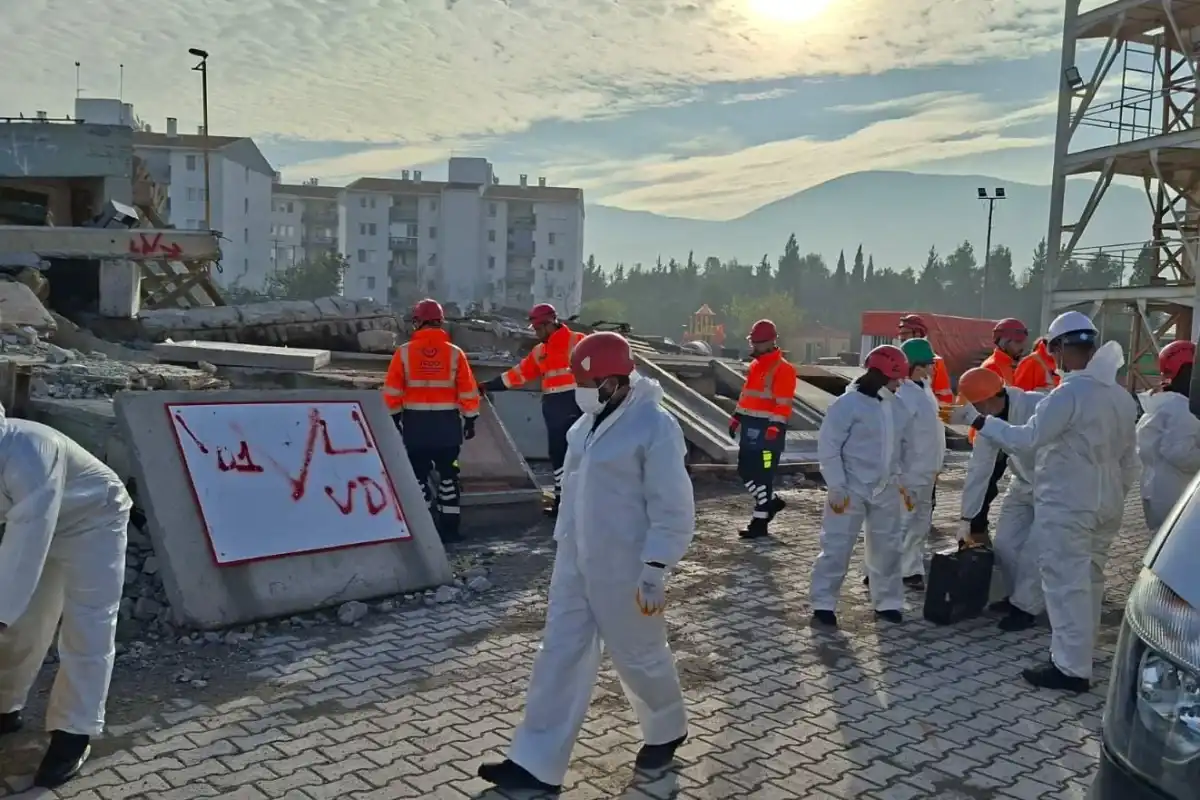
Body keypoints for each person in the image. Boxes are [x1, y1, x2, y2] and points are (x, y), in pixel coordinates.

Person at [478, 332, 695, 792]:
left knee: (640, 655)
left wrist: (657, 566)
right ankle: (534, 761)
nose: (579, 390)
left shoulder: (655, 426)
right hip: (576, 562)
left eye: (586, 382)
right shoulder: (585, 426)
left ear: (613, 380)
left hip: (628, 568)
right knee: (558, 655)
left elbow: (673, 505)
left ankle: (666, 728)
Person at [952, 311, 1139, 692]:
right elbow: (1130, 460)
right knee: (1090, 581)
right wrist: (1113, 493)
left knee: (1065, 583)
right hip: (1106, 502)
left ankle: (1070, 669)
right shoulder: (1120, 396)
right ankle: (1080, 657)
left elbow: (1026, 440)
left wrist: (979, 421)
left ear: (1057, 349)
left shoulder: (1067, 394)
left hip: (1069, 503)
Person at [0, 407, 133, 789]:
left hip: (95, 518)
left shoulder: (29, 451)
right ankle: (6, 707)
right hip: (36, 525)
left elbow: (28, 539)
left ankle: (74, 733)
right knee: (24, 624)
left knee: (87, 626)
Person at [810, 344, 909, 628]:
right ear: (881, 375)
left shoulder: (897, 407)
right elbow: (829, 447)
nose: (899, 384)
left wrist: (902, 481)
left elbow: (899, 449)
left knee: (887, 548)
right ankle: (823, 604)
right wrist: (837, 485)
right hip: (850, 488)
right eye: (896, 378)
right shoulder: (848, 405)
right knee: (836, 547)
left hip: (884, 488)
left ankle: (887, 602)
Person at [954, 367, 1046, 632]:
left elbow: (1025, 442)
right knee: (1006, 544)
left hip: (1054, 487)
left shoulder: (1037, 406)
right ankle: (1017, 596)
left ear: (984, 400)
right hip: (1023, 484)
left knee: (1035, 552)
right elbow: (979, 470)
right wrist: (966, 518)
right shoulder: (987, 423)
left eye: (974, 406)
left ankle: (1026, 609)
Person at [382, 298, 480, 541]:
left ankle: (424, 533)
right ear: (440, 322)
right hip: (447, 425)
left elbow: (392, 392)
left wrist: (394, 420)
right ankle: (450, 530)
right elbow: (468, 390)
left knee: (419, 477)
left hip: (416, 426)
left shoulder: (403, 353)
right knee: (449, 475)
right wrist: (470, 419)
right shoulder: (455, 354)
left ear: (418, 322)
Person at [480, 303, 584, 516]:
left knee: (581, 453)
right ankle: (562, 501)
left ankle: (581, 502)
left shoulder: (578, 341)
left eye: (538, 329)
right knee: (557, 454)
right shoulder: (540, 352)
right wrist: (487, 385)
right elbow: (517, 375)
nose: (536, 334)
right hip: (554, 407)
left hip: (578, 404)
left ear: (549, 323)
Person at [727, 319, 798, 539]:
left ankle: (759, 523)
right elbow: (747, 396)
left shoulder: (784, 369)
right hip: (750, 428)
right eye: (753, 342)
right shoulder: (755, 366)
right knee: (746, 471)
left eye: (758, 343)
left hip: (769, 433)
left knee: (763, 474)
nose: (754, 347)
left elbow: (783, 402)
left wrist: (775, 427)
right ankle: (770, 503)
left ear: (771, 342)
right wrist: (737, 417)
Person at [893, 338, 946, 589]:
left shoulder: (923, 387)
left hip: (927, 470)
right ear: (914, 366)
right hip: (910, 472)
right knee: (902, 522)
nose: (932, 369)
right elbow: (896, 436)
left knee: (920, 522)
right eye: (928, 364)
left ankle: (909, 568)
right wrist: (899, 473)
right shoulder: (903, 394)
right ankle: (883, 571)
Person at [1137, 340, 1200, 531]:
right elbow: (1180, 453)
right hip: (1174, 495)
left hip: (1157, 491)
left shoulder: (1163, 404)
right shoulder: (1182, 409)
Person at [897, 314, 953, 405]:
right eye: (900, 334)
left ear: (918, 334)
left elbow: (945, 399)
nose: (901, 338)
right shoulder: (895, 359)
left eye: (905, 333)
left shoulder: (936, 362)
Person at [980, 318, 1030, 385]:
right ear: (1003, 343)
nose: (1022, 346)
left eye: (1023, 342)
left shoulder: (1015, 364)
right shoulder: (992, 367)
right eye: (1018, 342)